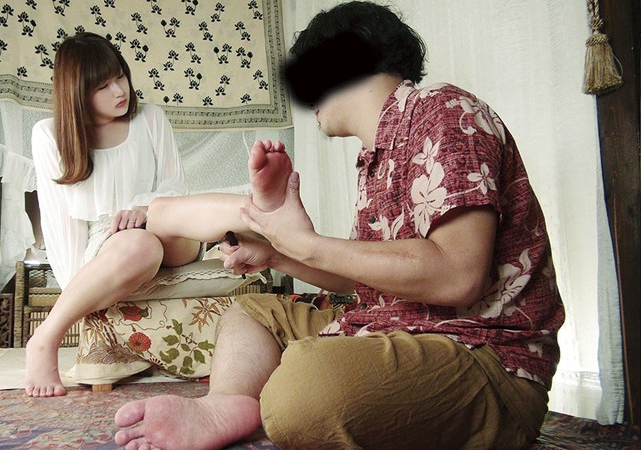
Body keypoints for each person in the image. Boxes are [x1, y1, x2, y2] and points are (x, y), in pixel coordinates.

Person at [113, 2, 565, 449]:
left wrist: (306, 244)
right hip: (394, 327)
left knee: (303, 389)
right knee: (249, 314)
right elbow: (366, 280)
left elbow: (457, 275)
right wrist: (277, 254)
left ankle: (282, 394)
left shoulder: (444, 110)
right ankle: (225, 406)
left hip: (481, 356)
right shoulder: (375, 155)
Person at [27, 31, 292, 397]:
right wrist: (78, 286)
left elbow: (174, 188)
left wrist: (144, 208)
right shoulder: (49, 135)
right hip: (109, 243)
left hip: (170, 228)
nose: (119, 91)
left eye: (120, 76)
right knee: (141, 244)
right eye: (103, 86)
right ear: (77, 93)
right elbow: (60, 223)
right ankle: (45, 339)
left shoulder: (150, 118)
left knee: (163, 211)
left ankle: (262, 206)